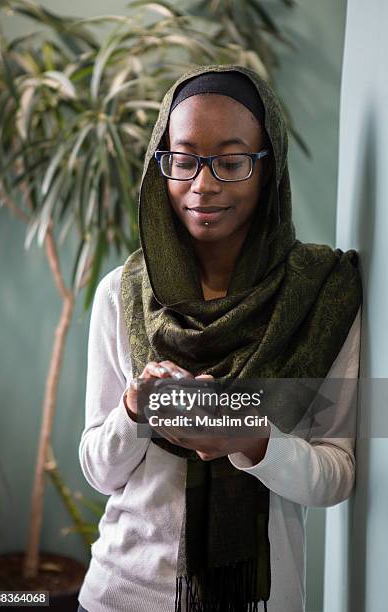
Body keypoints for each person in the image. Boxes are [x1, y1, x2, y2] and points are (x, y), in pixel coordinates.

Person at [77, 64, 362, 612]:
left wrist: (249, 440)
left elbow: (336, 475)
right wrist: (136, 408)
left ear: (267, 169)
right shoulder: (123, 293)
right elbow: (98, 469)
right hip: (121, 591)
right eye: (182, 161)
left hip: (259, 600)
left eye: (231, 163)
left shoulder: (322, 296)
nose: (202, 186)